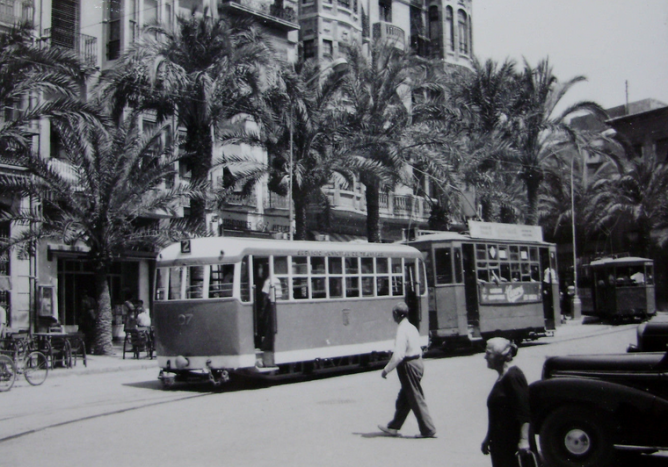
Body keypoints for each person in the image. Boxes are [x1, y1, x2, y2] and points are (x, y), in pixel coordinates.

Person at [378, 302, 437, 439]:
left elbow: (399, 354)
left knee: (415, 398)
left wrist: (386, 370)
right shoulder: (411, 328)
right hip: (417, 363)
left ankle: (428, 430)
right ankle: (394, 427)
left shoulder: (402, 330)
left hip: (408, 366)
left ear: (396, 315)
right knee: (404, 398)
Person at [481, 337, 531, 467]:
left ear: (501, 356)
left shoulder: (513, 376)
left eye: (488, 353)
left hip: (512, 443)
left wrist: (524, 440)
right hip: (500, 443)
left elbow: (524, 412)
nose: (485, 357)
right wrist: (488, 438)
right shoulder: (502, 377)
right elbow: (495, 414)